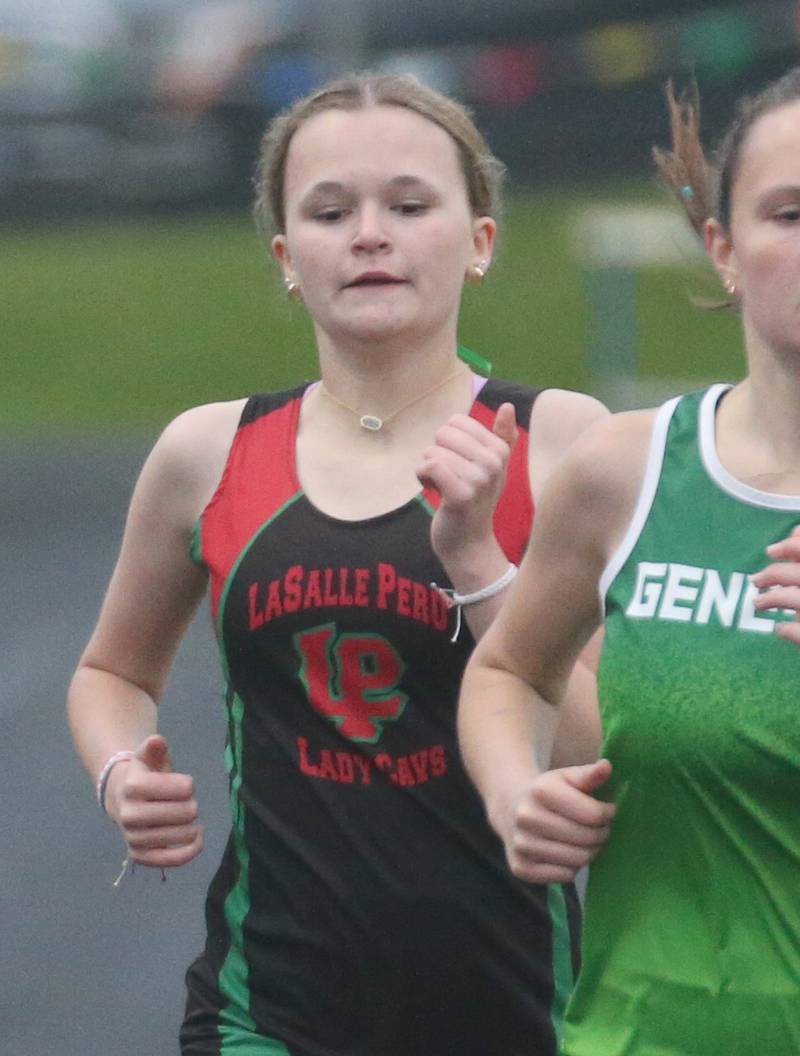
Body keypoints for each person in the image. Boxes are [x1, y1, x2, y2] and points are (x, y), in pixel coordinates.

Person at [67, 73, 607, 1056]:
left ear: (478, 241)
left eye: (407, 204)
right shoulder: (208, 453)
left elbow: (596, 757)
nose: (369, 233)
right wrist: (119, 774)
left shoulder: (565, 446)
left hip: (518, 1008)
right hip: (263, 1012)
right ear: (285, 256)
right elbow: (111, 674)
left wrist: (478, 559)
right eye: (328, 210)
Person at [458, 66, 800, 1056]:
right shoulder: (625, 470)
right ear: (722, 251)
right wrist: (511, 791)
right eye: (787, 212)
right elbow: (510, 670)